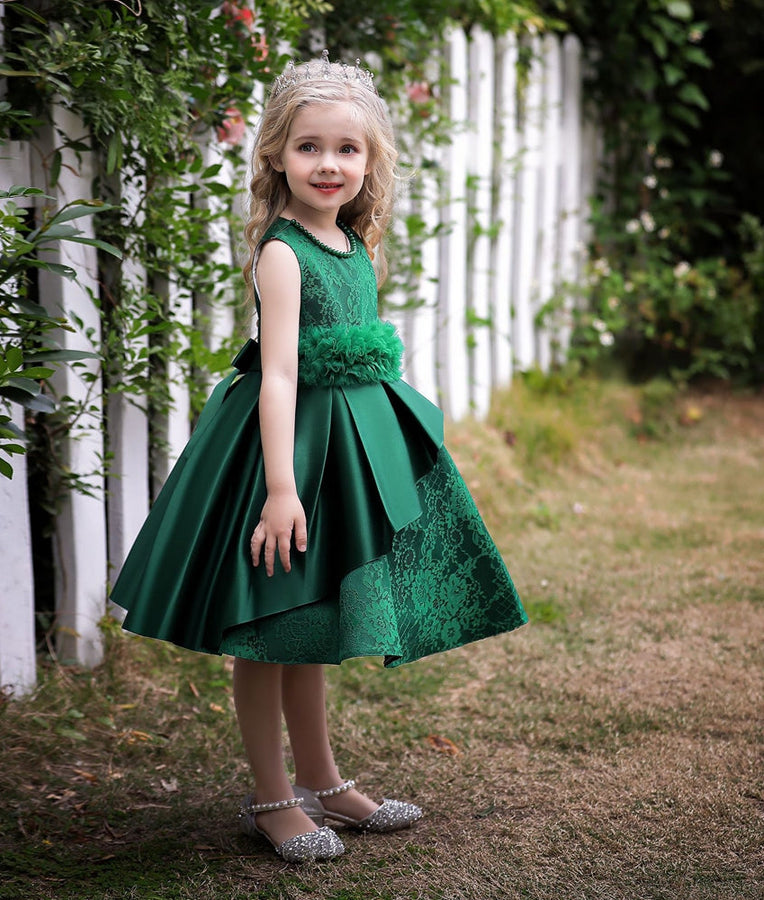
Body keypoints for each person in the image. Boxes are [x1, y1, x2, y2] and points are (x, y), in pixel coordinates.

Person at [110, 51, 527, 863]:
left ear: (370, 160)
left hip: (338, 456)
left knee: (313, 620)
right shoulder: (284, 252)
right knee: (269, 624)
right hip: (285, 457)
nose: (328, 163)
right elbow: (277, 375)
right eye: (309, 147)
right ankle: (272, 798)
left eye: (346, 148)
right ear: (276, 155)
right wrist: (280, 490)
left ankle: (324, 783)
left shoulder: (353, 243)